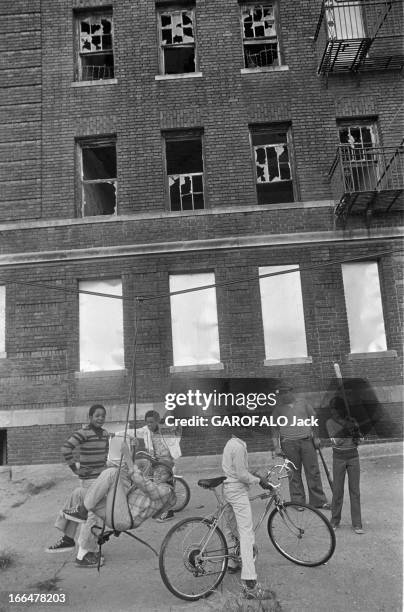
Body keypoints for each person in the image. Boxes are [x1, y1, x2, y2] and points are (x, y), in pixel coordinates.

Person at [63, 442, 176, 567]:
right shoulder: (153, 483)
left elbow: (144, 485)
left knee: (111, 473)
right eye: (157, 470)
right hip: (119, 516)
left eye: (163, 472)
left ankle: (83, 511)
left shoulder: (166, 491)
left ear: (170, 476)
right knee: (80, 492)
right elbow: (134, 486)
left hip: (125, 519)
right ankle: (67, 538)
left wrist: (127, 456)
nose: (158, 474)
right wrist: (131, 452)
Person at [45, 404, 109, 554]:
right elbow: (66, 448)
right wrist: (75, 469)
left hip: (100, 480)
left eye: (103, 416)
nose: (100, 418)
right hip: (88, 480)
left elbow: (104, 454)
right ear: (90, 417)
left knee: (82, 509)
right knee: (92, 515)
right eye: (97, 415)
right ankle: (86, 551)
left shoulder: (105, 434)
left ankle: (68, 539)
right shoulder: (83, 433)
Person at [221, 432, 274, 600]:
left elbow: (239, 470)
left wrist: (254, 474)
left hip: (228, 488)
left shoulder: (232, 443)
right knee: (246, 535)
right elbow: (242, 476)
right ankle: (250, 584)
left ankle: (233, 561)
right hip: (237, 491)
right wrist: (260, 481)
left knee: (231, 527)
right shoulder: (238, 446)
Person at [272, 385, 330, 509]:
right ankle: (298, 502)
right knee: (293, 473)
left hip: (307, 442)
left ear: (291, 392)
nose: (283, 396)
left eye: (285, 393)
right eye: (280, 394)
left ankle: (318, 501)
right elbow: (275, 429)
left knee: (313, 471)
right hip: (288, 444)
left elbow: (313, 419)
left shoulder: (303, 403)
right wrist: (276, 447)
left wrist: (316, 437)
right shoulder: (278, 409)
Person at [326, 397, 364, 534]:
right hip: (339, 458)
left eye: (336, 409)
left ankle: (357, 524)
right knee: (338, 491)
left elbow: (360, 440)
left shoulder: (352, 421)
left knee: (355, 492)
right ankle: (335, 521)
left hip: (353, 457)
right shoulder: (329, 423)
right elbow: (336, 441)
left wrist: (356, 432)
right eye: (332, 409)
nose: (333, 412)